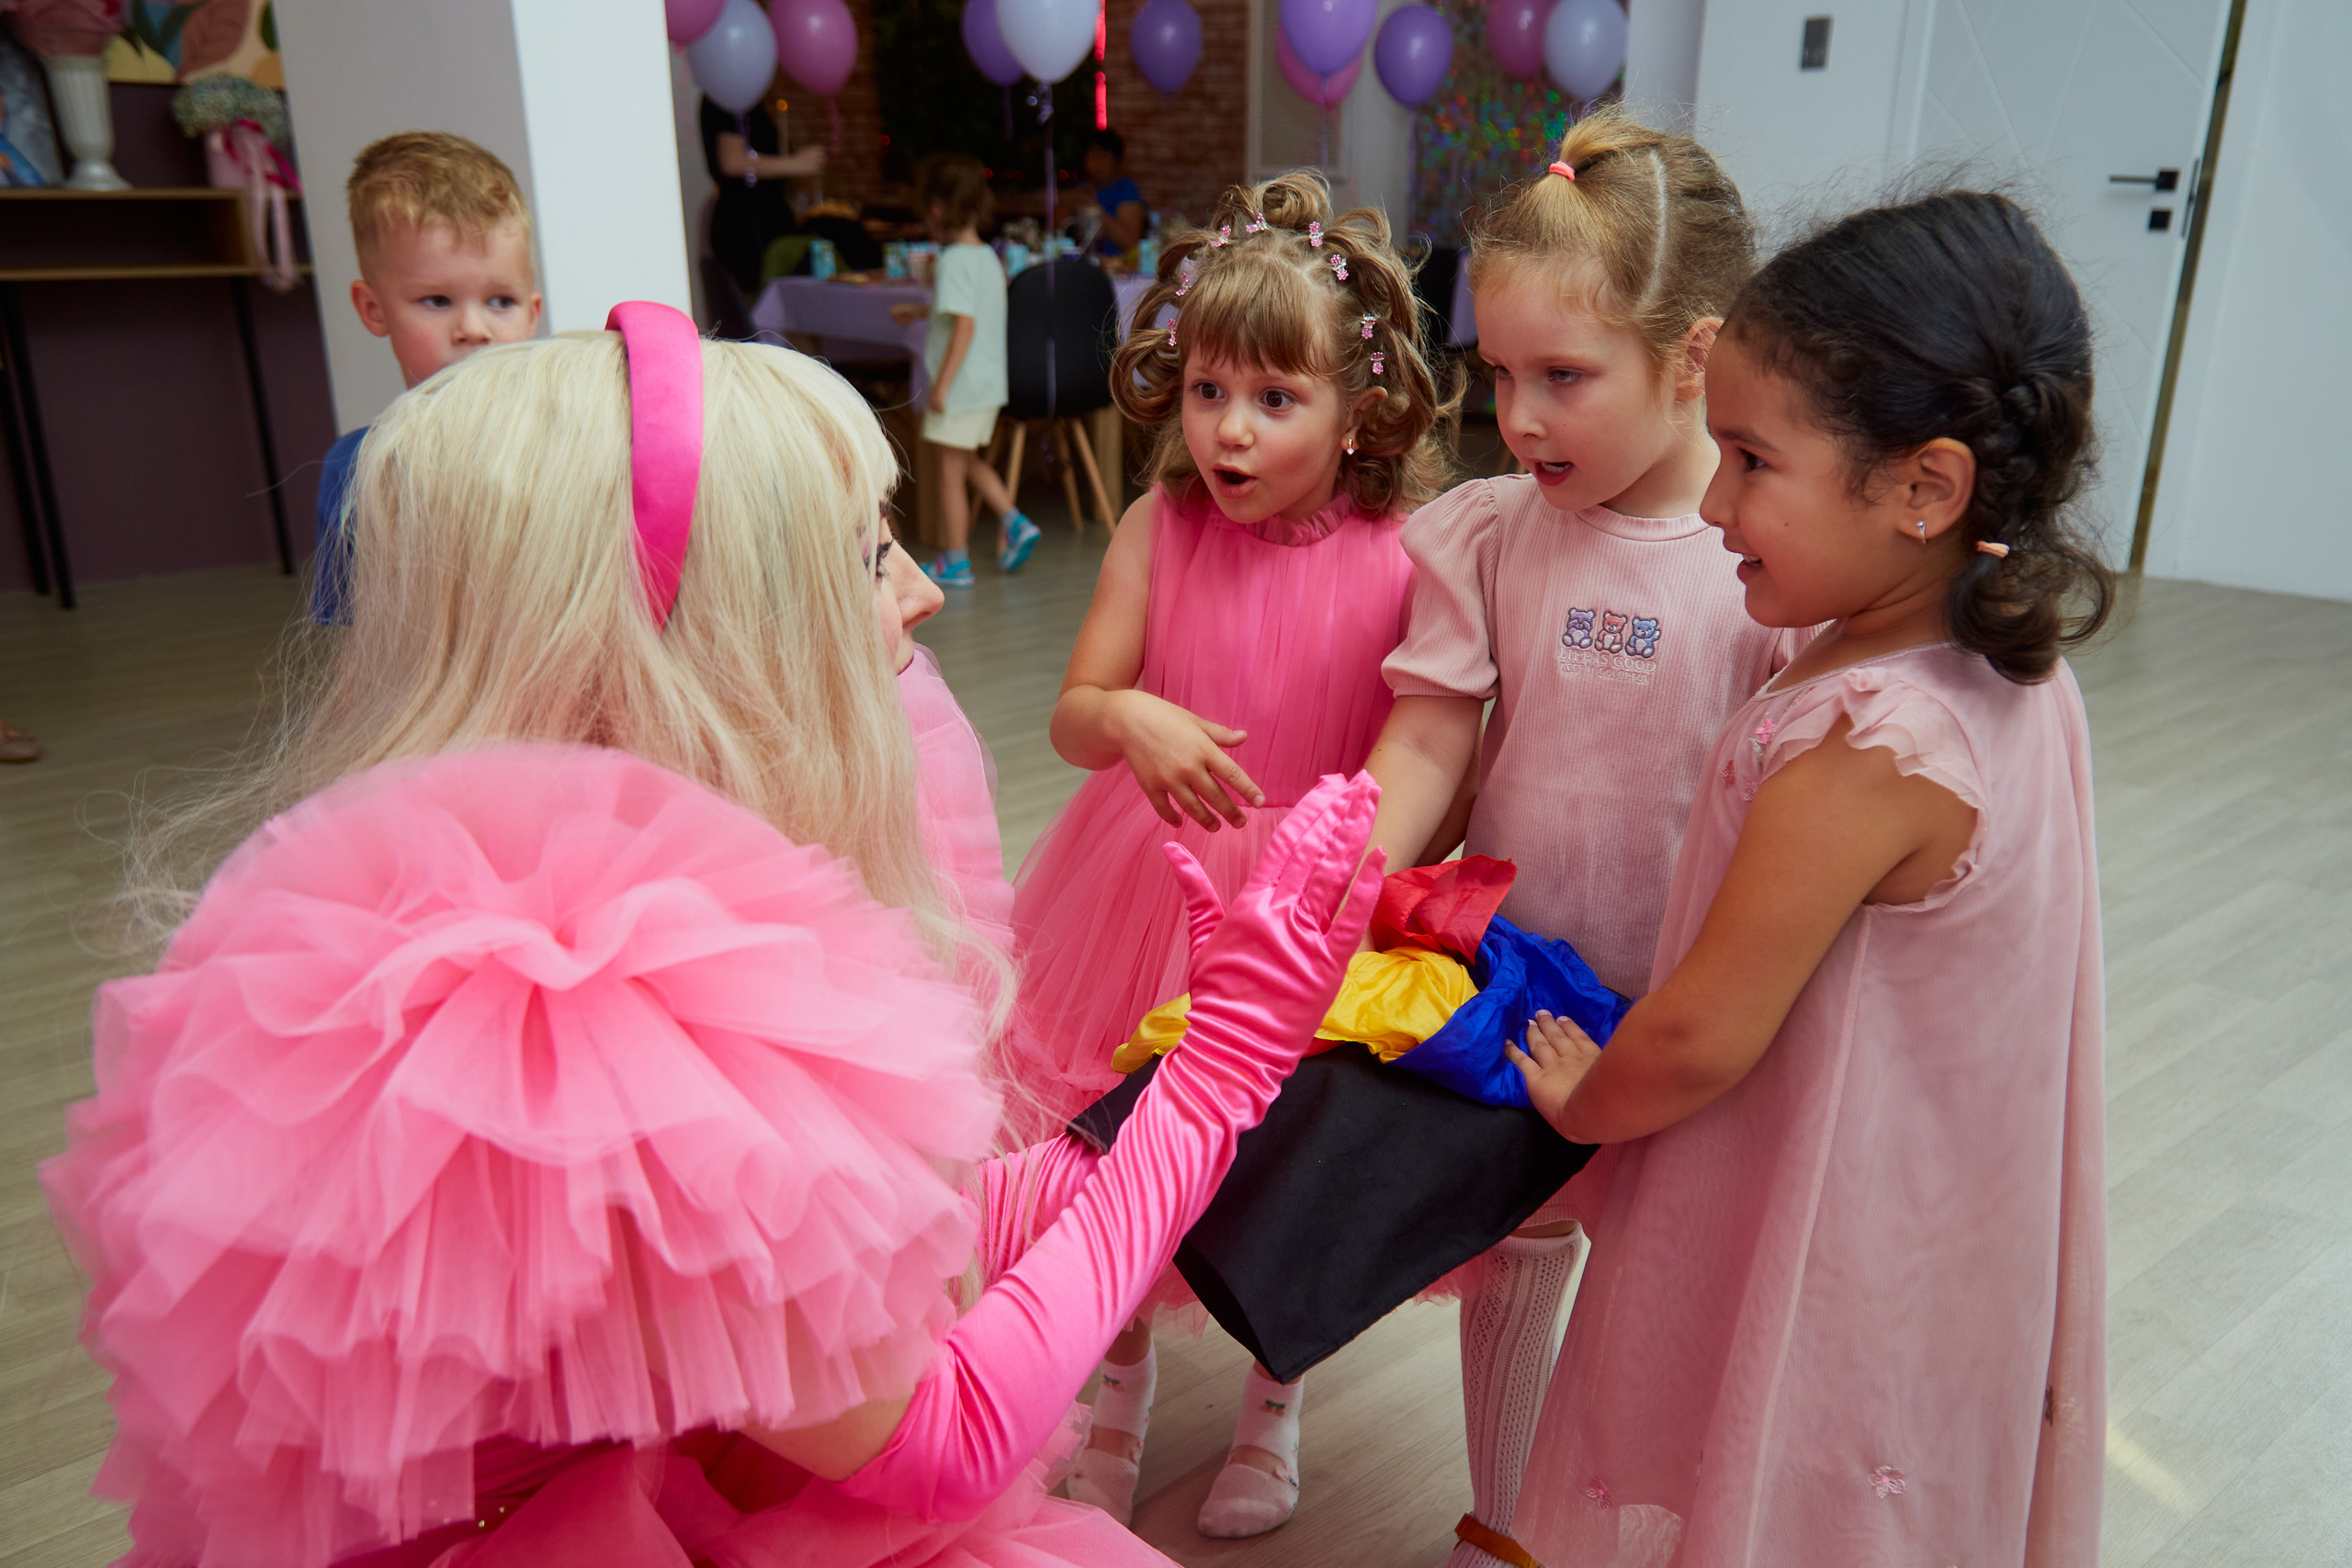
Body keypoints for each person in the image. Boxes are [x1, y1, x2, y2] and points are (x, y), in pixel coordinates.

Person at [40, 304, 1387, 1568]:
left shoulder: (475, 912)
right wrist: (1210, 1085)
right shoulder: (623, 1002)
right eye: (870, 552)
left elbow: (776, 1255)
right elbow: (942, 1432)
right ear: (719, 640)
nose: (922, 590)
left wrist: (1082, 1162)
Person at [1501, 189, 2111, 1568]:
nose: (1714, 501)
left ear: (1925, 485)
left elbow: (1709, 1024)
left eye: (1750, 460)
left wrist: (1584, 1100)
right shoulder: (1995, 661)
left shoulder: (1869, 743)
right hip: (1924, 1201)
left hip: (1837, 1220)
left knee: (1796, 1487)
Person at [1351, 107, 1799, 1568]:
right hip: (1522, 980)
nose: (1522, 416)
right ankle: (1507, 1518)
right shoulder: (1491, 533)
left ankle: (1647, 1520)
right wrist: (1351, 871)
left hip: (1686, 1006)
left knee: (1665, 1266)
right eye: (1498, 374)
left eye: (1564, 377)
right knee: (1517, 1250)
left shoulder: (1765, 572)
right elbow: (1429, 731)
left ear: (1693, 359)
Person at [1003, 171, 1453, 1540]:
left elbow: (1421, 753)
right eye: (1207, 392)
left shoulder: (1404, 557)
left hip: (1309, 899)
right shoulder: (1158, 529)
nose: (1229, 432)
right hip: (1146, 881)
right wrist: (1127, 712)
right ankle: (1119, 1392)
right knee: (1112, 1134)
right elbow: (1077, 717)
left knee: (1272, 1161)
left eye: (1273, 399)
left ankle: (1275, 1402)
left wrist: (1346, 886)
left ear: (1358, 405)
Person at [311, 131, 542, 625]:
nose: (474, 330)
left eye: (501, 301)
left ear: (532, 314)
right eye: (437, 301)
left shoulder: (578, 450)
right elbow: (358, 643)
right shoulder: (357, 472)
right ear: (373, 310)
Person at [887, 154, 1038, 588]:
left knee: (949, 473)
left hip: (960, 386)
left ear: (936, 210)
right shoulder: (990, 257)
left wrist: (941, 387)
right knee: (965, 460)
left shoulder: (952, 260)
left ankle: (956, 562)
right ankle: (1014, 520)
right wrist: (922, 310)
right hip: (988, 384)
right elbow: (969, 313)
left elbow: (964, 327)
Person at [698, 94, 826, 294]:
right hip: (745, 230)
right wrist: (795, 164)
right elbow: (732, 162)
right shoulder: (728, 96)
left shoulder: (740, 99)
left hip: (757, 225)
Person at [1084, 129, 1147, 257]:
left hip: (1119, 269)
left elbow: (1130, 242)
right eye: (1093, 155)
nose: (1097, 162)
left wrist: (1097, 213)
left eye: (1103, 156)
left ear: (1117, 160)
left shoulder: (1127, 190)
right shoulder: (1082, 189)